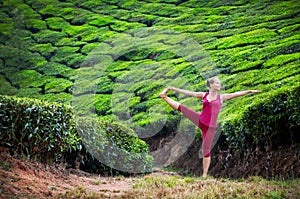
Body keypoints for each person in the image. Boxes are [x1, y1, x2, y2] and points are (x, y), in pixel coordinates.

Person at [159, 76, 261, 177]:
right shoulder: (204, 95)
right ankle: (164, 96)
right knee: (183, 108)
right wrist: (173, 89)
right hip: (200, 120)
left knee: (206, 150)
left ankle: (204, 174)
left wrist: (249, 91)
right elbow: (189, 93)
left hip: (210, 127)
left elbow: (236, 94)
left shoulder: (221, 97)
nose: (219, 85)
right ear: (211, 85)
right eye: (216, 83)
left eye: (219, 83)